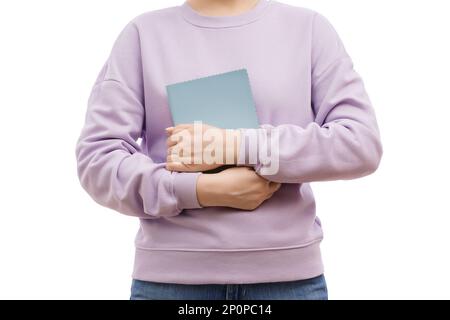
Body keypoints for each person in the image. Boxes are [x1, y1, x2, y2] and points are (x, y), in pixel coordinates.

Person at [75, 0, 382, 300]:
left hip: (289, 282)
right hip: (170, 283)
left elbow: (360, 142)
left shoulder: (309, 29)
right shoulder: (143, 34)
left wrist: (235, 145)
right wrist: (199, 190)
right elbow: (98, 161)